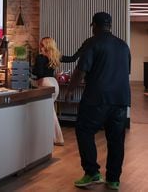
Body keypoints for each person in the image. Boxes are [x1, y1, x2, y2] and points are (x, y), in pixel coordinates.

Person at [65, 12, 130, 190]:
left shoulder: (93, 42)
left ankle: (92, 172)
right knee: (116, 140)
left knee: (84, 130)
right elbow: (126, 72)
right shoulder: (123, 45)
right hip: (121, 99)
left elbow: (81, 70)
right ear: (110, 25)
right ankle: (113, 179)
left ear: (93, 25)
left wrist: (70, 89)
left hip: (97, 98)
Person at [32, 37, 64, 146]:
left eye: (41, 44)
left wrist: (34, 69)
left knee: (49, 111)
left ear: (44, 45)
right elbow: (73, 58)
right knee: (50, 110)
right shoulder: (54, 56)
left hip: (45, 83)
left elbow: (39, 73)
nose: (39, 46)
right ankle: (52, 137)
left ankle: (57, 138)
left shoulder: (40, 57)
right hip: (54, 83)